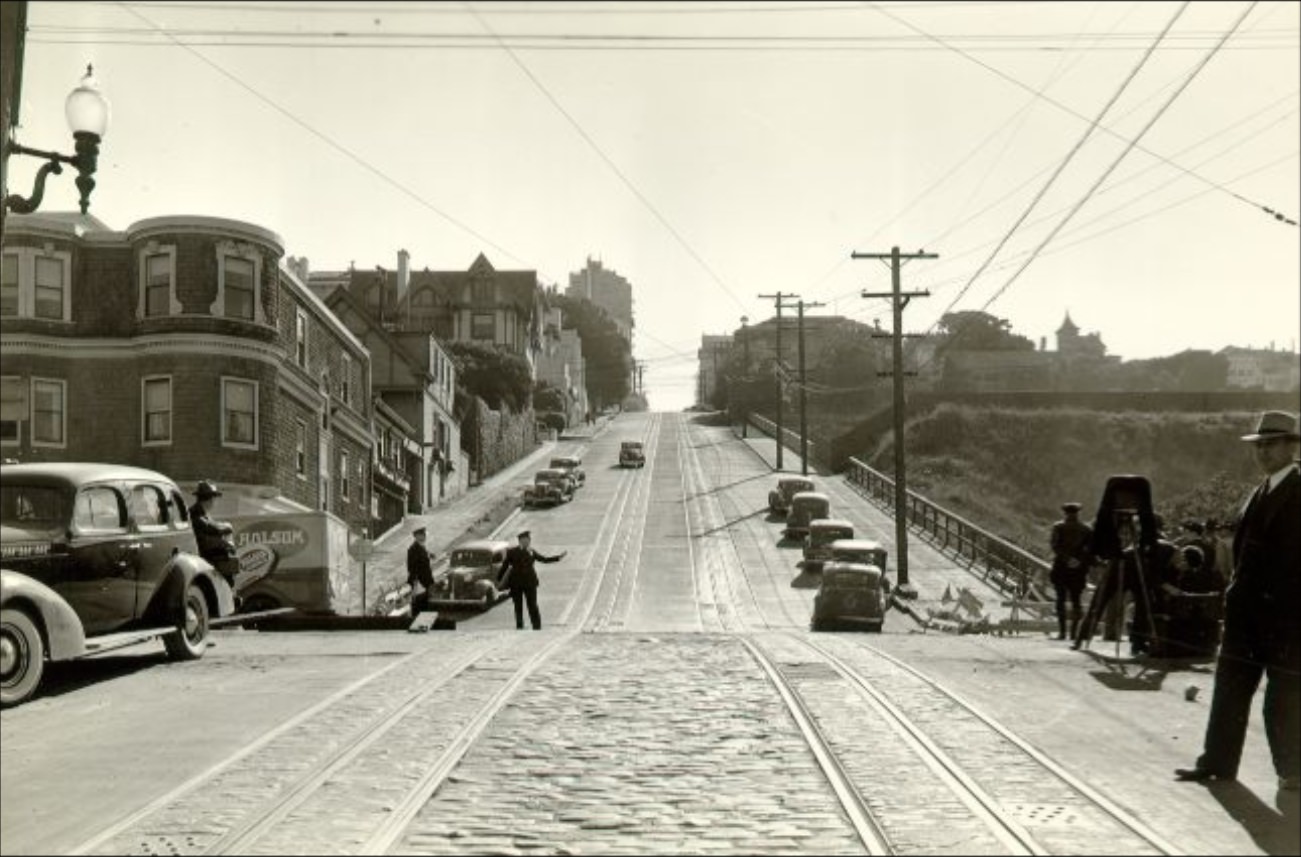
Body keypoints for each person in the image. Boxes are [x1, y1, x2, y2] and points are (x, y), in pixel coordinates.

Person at [1176, 411, 1300, 791]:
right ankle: (1217, 762)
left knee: (1283, 699)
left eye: (1271, 444)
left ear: (1292, 447)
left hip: (1285, 619)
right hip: (1246, 616)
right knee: (1229, 688)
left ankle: (1293, 772)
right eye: (1259, 446)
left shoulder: (1298, 491)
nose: (1263, 452)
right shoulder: (1259, 492)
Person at [496, 530, 567, 630]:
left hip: (530, 583)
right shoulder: (512, 552)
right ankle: (520, 626)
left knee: (532, 605)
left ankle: (537, 626)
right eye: (524, 540)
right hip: (516, 583)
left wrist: (558, 558)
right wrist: (498, 579)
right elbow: (505, 566)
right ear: (520, 541)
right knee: (518, 606)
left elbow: (544, 559)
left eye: (528, 540)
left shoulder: (532, 551)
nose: (527, 542)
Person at [1049, 502, 1092, 641]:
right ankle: (1074, 633)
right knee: (1076, 601)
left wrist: (1067, 559)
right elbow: (1089, 550)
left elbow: (1055, 546)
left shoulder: (1058, 527)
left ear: (1065, 513)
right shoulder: (1086, 529)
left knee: (1060, 600)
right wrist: (1078, 560)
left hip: (1061, 567)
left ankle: (1062, 633)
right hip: (1078, 570)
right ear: (1078, 513)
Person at [189, 480, 237, 589]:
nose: (215, 502)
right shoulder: (195, 513)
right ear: (209, 499)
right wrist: (227, 527)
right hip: (202, 557)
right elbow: (211, 528)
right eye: (214, 498)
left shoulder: (204, 513)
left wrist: (226, 544)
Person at [407, 527, 434, 616]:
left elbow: (424, 558)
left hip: (425, 582)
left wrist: (429, 555)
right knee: (419, 606)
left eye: (424, 534)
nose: (425, 536)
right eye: (422, 535)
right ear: (417, 536)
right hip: (419, 583)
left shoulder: (421, 546)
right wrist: (415, 584)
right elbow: (412, 568)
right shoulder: (413, 549)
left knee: (425, 606)